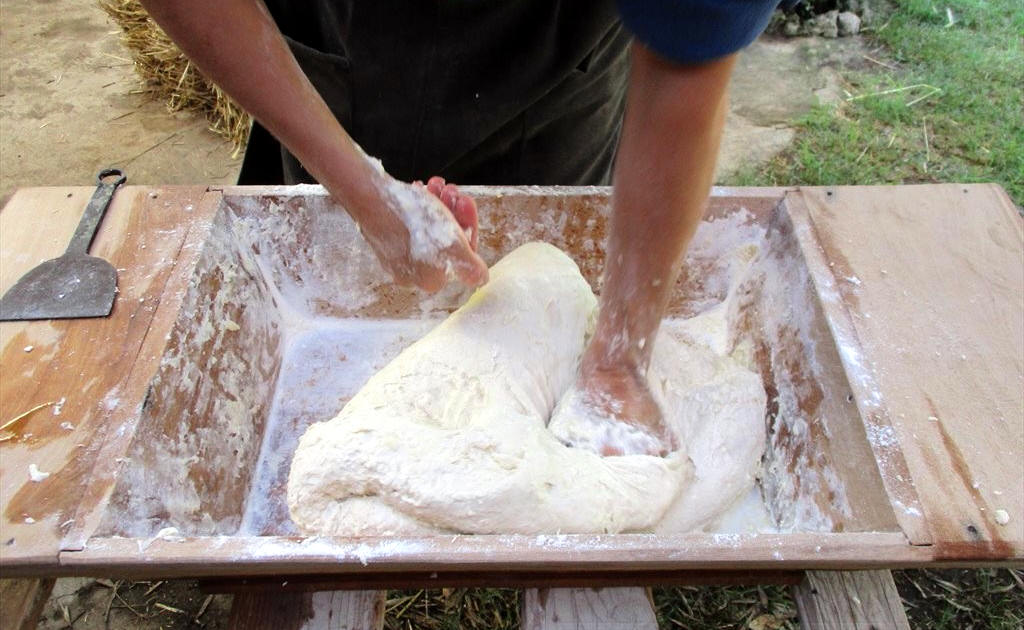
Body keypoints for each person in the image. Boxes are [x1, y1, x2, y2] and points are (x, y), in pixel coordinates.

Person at [140, 0, 785, 456]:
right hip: (354, 37)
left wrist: (620, 358)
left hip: (558, 51)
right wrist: (360, 186)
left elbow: (688, 66)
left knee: (550, 275)